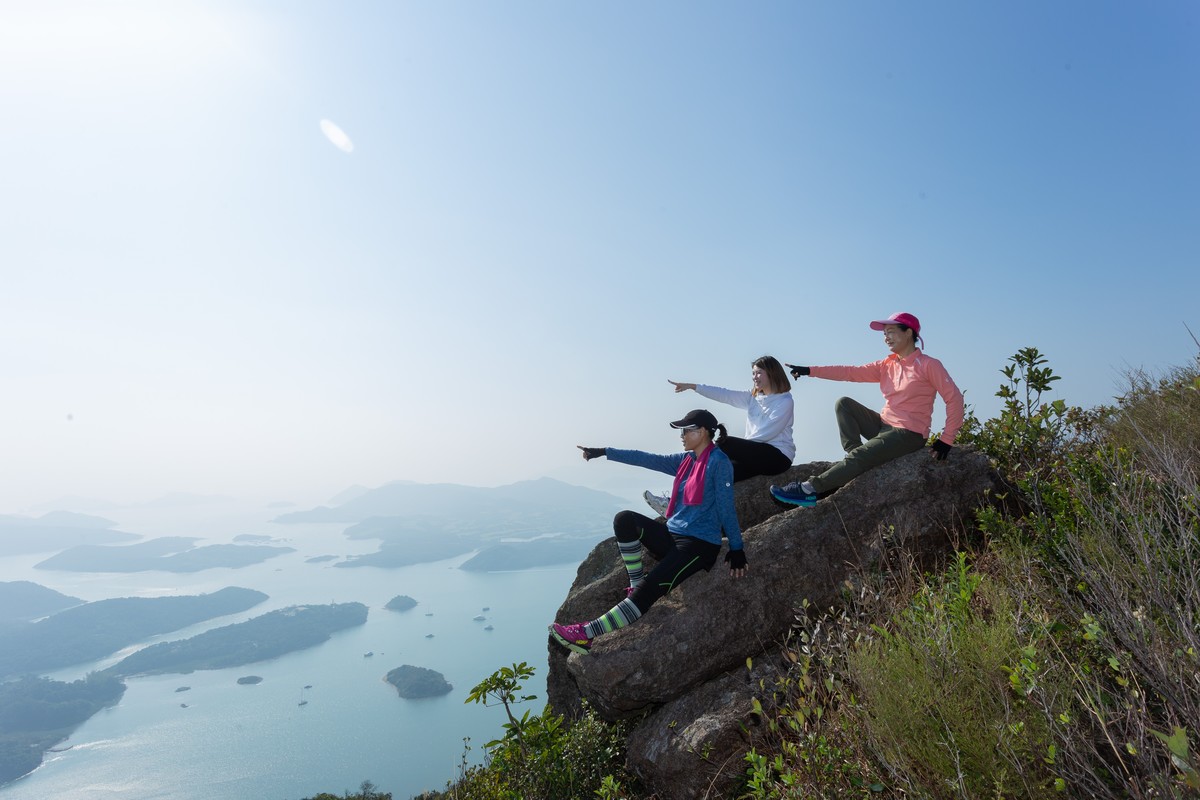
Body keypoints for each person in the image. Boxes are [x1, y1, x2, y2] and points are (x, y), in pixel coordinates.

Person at [549, 409, 747, 654]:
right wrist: (604, 452)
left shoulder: (719, 463)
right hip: (673, 534)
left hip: (699, 545)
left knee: (651, 589)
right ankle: (635, 583)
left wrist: (737, 548)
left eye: (687, 430)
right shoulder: (686, 460)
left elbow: (727, 508)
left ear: (703, 432)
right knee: (624, 520)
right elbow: (645, 458)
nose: (682, 435)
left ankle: (586, 635)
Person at [770, 312, 964, 507]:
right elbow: (850, 372)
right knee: (843, 404)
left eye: (891, 332)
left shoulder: (929, 365)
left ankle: (809, 490)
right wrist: (810, 371)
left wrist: (946, 439)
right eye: (884, 333)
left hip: (909, 434)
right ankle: (855, 458)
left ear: (908, 333)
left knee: (860, 456)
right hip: (883, 426)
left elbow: (954, 398)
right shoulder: (887, 365)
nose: (886, 337)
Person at [642, 356, 795, 516]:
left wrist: (728, 451)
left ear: (772, 373)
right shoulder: (753, 398)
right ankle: (674, 504)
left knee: (726, 443)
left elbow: (768, 432)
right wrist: (694, 387)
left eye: (758, 373)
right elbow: (725, 395)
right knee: (718, 474)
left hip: (777, 457)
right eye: (753, 373)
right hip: (754, 457)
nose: (754, 377)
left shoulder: (784, 401)